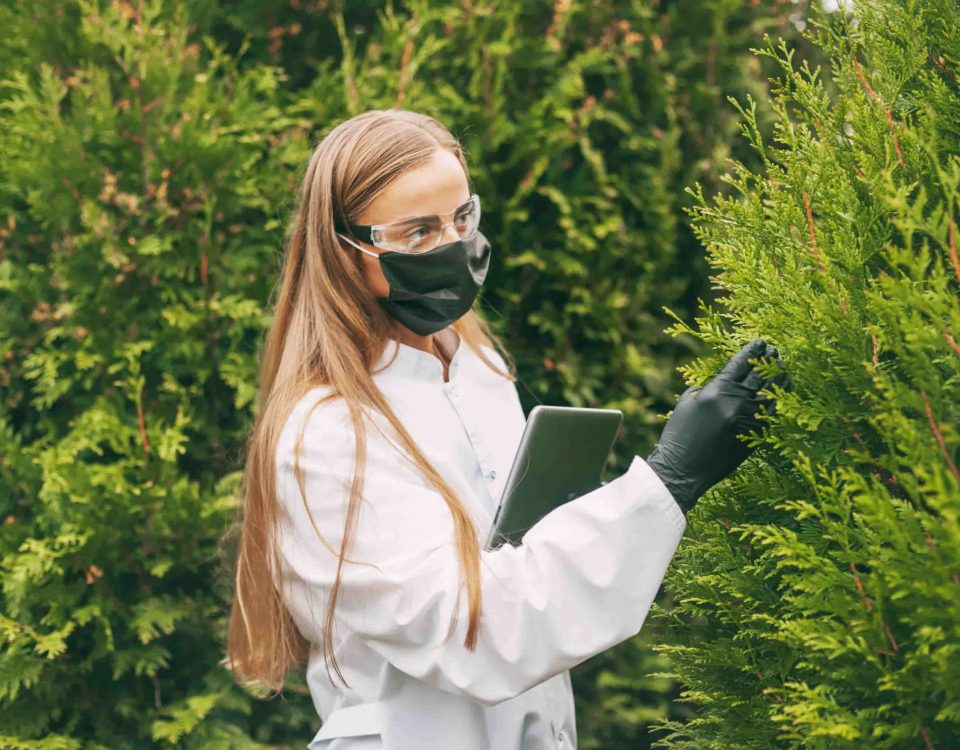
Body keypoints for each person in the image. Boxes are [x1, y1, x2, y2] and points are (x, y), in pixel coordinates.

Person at [224, 109, 788, 750]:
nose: (453, 245)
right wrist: (668, 480)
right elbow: (478, 629)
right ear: (344, 251)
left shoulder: (479, 370)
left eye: (462, 218)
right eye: (416, 232)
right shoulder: (324, 434)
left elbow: (520, 566)